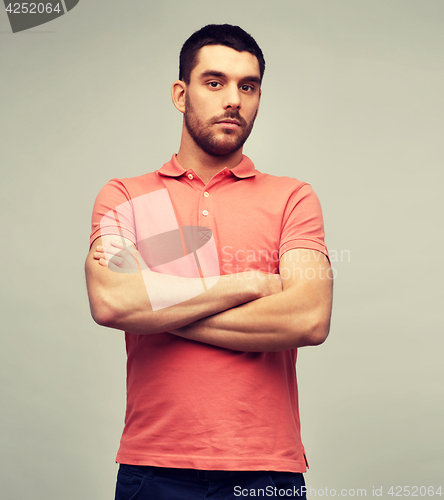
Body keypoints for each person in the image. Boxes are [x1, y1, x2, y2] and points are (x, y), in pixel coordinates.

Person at [85, 24, 333, 500]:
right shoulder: (125, 196)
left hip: (267, 471)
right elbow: (113, 303)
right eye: (215, 83)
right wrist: (255, 284)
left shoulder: (292, 198)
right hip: (154, 467)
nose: (234, 100)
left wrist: (157, 307)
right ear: (181, 94)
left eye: (248, 86)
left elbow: (309, 316)